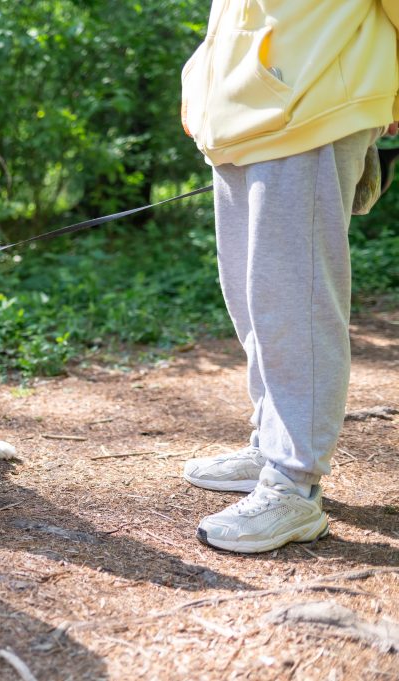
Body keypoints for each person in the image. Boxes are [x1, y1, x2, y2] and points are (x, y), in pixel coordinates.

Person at [178, 0, 399, 553]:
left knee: (294, 301)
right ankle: (272, 443)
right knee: (254, 299)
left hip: (313, 106)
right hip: (240, 120)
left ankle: (293, 481)